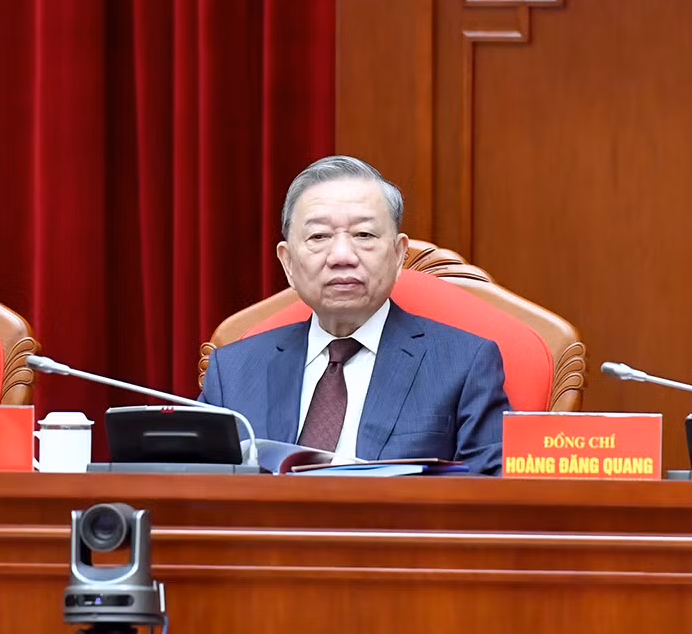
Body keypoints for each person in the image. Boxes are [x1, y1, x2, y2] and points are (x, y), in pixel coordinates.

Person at [200, 155, 509, 472]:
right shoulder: (233, 373)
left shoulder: (465, 364)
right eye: (319, 236)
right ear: (288, 263)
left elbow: (491, 494)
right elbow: (191, 487)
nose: (342, 256)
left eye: (364, 235)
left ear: (398, 254)